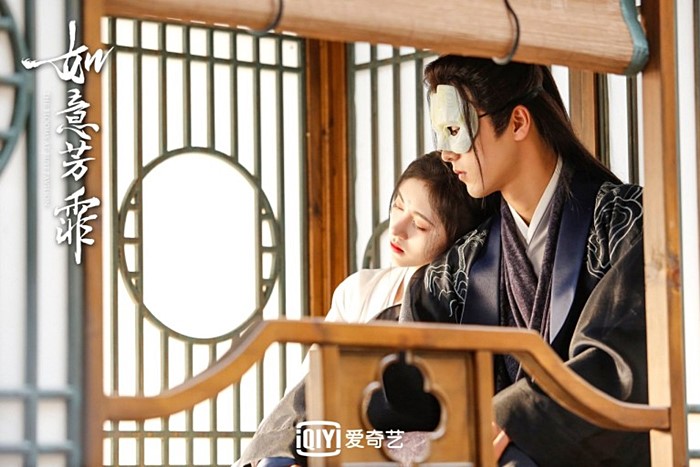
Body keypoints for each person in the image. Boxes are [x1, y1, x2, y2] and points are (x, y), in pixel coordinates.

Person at [398, 55, 648, 466]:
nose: (445, 153)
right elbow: (404, 372)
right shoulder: (460, 267)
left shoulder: (623, 222)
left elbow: (616, 367)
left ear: (517, 122)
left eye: (455, 131)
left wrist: (510, 419)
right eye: (441, 134)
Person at [235, 151, 499, 467]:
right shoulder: (359, 289)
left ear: (457, 240)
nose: (397, 228)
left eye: (419, 224)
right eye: (398, 205)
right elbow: (309, 389)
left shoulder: (468, 306)